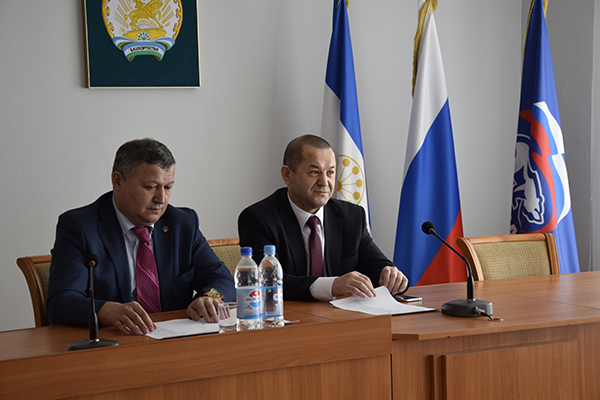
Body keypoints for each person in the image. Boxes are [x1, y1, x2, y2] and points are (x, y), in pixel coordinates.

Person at [48, 138, 235, 335]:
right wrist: (109, 311)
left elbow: (220, 278)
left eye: (168, 187)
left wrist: (210, 297)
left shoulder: (182, 223)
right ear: (118, 181)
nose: (161, 199)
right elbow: (61, 301)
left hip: (175, 340)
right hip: (115, 341)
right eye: (151, 187)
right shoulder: (80, 227)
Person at [238, 134, 408, 302]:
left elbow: (374, 265)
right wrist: (332, 285)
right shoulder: (258, 219)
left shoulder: (352, 216)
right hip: (287, 315)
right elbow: (266, 281)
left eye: (330, 172)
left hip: (342, 315)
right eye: (314, 172)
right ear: (287, 175)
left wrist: (389, 274)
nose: (324, 182)